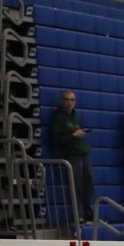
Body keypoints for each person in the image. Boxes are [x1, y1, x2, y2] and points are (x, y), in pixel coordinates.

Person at [50, 90, 95, 222]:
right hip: (71, 154)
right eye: (67, 100)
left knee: (88, 185)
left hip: (82, 153)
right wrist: (73, 135)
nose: (69, 103)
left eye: (72, 100)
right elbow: (56, 139)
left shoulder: (75, 117)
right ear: (62, 101)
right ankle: (78, 214)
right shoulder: (58, 118)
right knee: (76, 186)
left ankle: (88, 213)